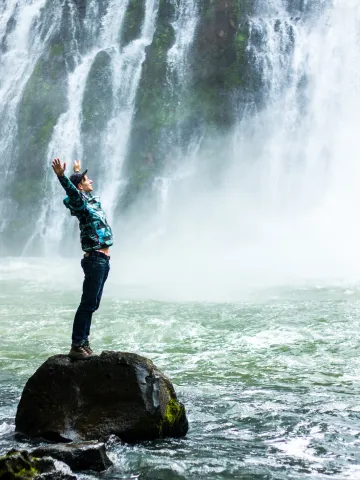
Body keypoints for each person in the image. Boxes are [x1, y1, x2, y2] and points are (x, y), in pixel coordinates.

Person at [51, 158, 113, 360]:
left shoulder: (91, 202)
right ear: (80, 186)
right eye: (87, 180)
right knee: (87, 304)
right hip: (95, 259)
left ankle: (83, 342)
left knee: (92, 304)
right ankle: (77, 344)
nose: (92, 181)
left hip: (103, 260)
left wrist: (78, 172)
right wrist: (62, 176)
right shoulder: (81, 204)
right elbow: (72, 193)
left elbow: (83, 192)